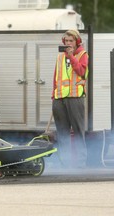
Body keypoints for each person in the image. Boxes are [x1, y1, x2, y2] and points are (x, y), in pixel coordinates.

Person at [52, 29, 89, 169]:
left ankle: (80, 165)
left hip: (75, 97)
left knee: (78, 131)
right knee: (62, 134)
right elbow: (55, 77)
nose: (68, 44)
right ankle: (65, 164)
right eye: (66, 41)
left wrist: (71, 56)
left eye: (71, 41)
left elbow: (81, 72)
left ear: (77, 41)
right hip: (59, 97)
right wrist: (53, 95)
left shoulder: (82, 55)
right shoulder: (60, 57)